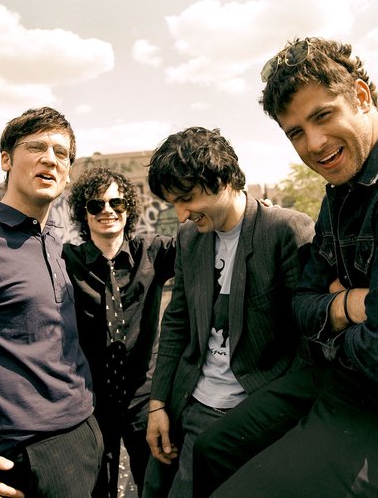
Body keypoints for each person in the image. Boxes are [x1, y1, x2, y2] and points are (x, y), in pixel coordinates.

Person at [193, 36, 378, 497]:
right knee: (211, 450)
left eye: (322, 116)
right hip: (344, 380)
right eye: (296, 132)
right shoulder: (340, 194)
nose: (314, 144)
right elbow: (301, 306)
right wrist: (351, 306)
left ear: (360, 97)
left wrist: (332, 320)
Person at [142, 126, 315, 498]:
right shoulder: (189, 239)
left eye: (186, 198)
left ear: (221, 180)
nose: (181, 215)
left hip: (255, 412)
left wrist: (274, 416)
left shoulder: (285, 230)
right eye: (173, 203)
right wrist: (158, 404)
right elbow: (177, 322)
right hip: (189, 405)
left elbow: (311, 339)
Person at [0, 107, 103, 497]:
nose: (50, 159)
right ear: (6, 160)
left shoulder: (53, 240)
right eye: (36, 147)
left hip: (87, 430)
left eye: (61, 153)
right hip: (26, 452)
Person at [64, 166, 176, 497]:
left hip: (145, 396)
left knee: (156, 483)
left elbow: (207, 237)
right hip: (92, 400)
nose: (107, 211)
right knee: (99, 488)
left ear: (129, 208)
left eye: (116, 202)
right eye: (96, 205)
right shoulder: (66, 260)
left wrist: (250, 214)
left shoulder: (153, 251)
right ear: (84, 213)